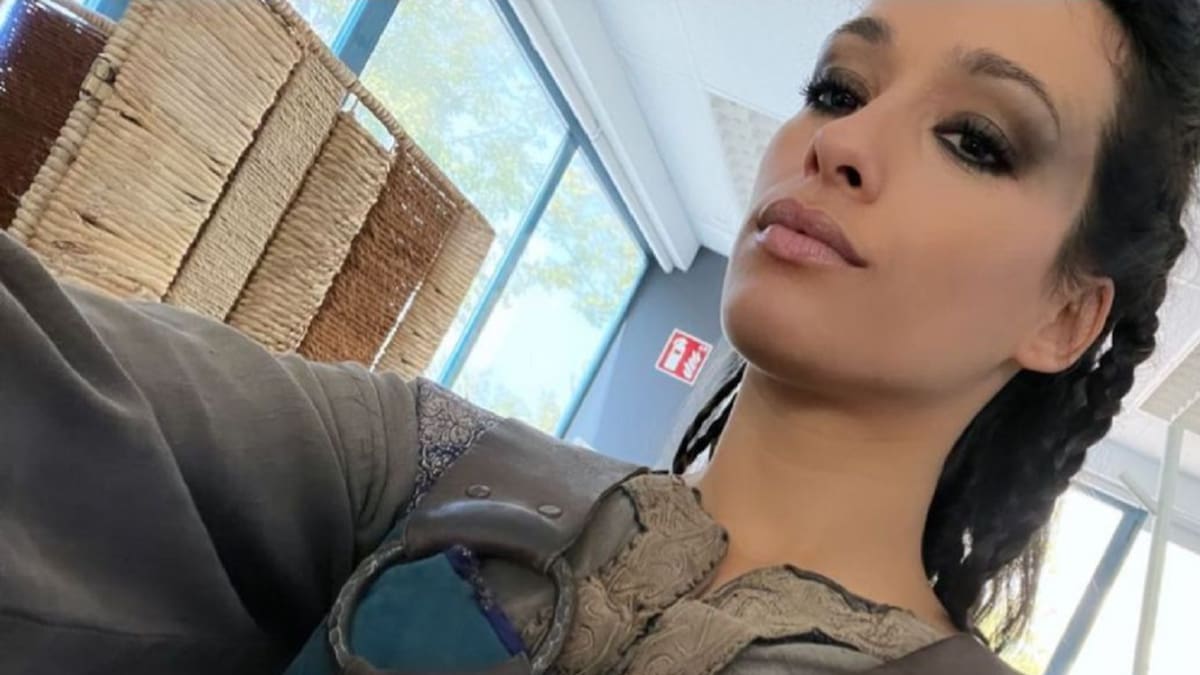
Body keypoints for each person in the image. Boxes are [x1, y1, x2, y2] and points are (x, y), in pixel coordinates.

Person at [2, 0, 1198, 673]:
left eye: (975, 140)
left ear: (1065, 314)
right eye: (840, 89)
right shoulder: (425, 464)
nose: (837, 144)